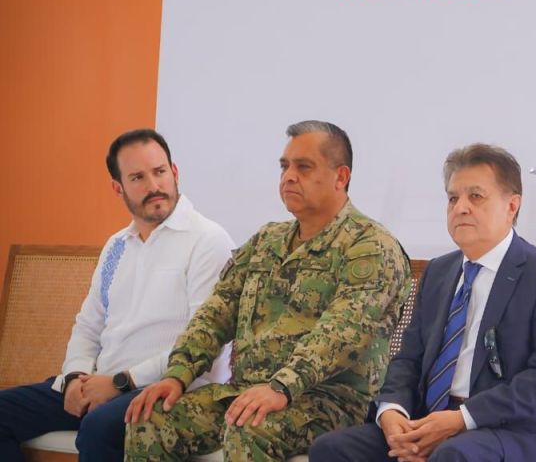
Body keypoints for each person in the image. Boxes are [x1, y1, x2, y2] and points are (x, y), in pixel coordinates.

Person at [124, 120, 411, 461]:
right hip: (248, 392)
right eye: (284, 166)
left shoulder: (370, 246)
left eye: (303, 167)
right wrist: (178, 374)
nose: (289, 177)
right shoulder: (266, 240)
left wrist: (282, 386)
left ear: (341, 176)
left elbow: (342, 333)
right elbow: (215, 313)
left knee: (250, 427)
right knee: (151, 417)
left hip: (329, 403)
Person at [309, 143, 536, 462]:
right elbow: (408, 358)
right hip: (428, 420)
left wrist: (461, 419)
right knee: (332, 449)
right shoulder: (438, 272)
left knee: (452, 455)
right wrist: (392, 411)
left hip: (508, 431)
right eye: (452, 198)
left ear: (512, 206)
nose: (461, 207)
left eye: (476, 196)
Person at [0, 128, 234, 462]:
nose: (154, 186)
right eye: (138, 177)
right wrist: (74, 378)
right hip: (102, 383)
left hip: (173, 387)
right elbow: (88, 325)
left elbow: (205, 345)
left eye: (160, 171)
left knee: (99, 427)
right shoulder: (116, 245)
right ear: (118, 187)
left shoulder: (207, 240)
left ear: (174, 172)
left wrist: (121, 382)